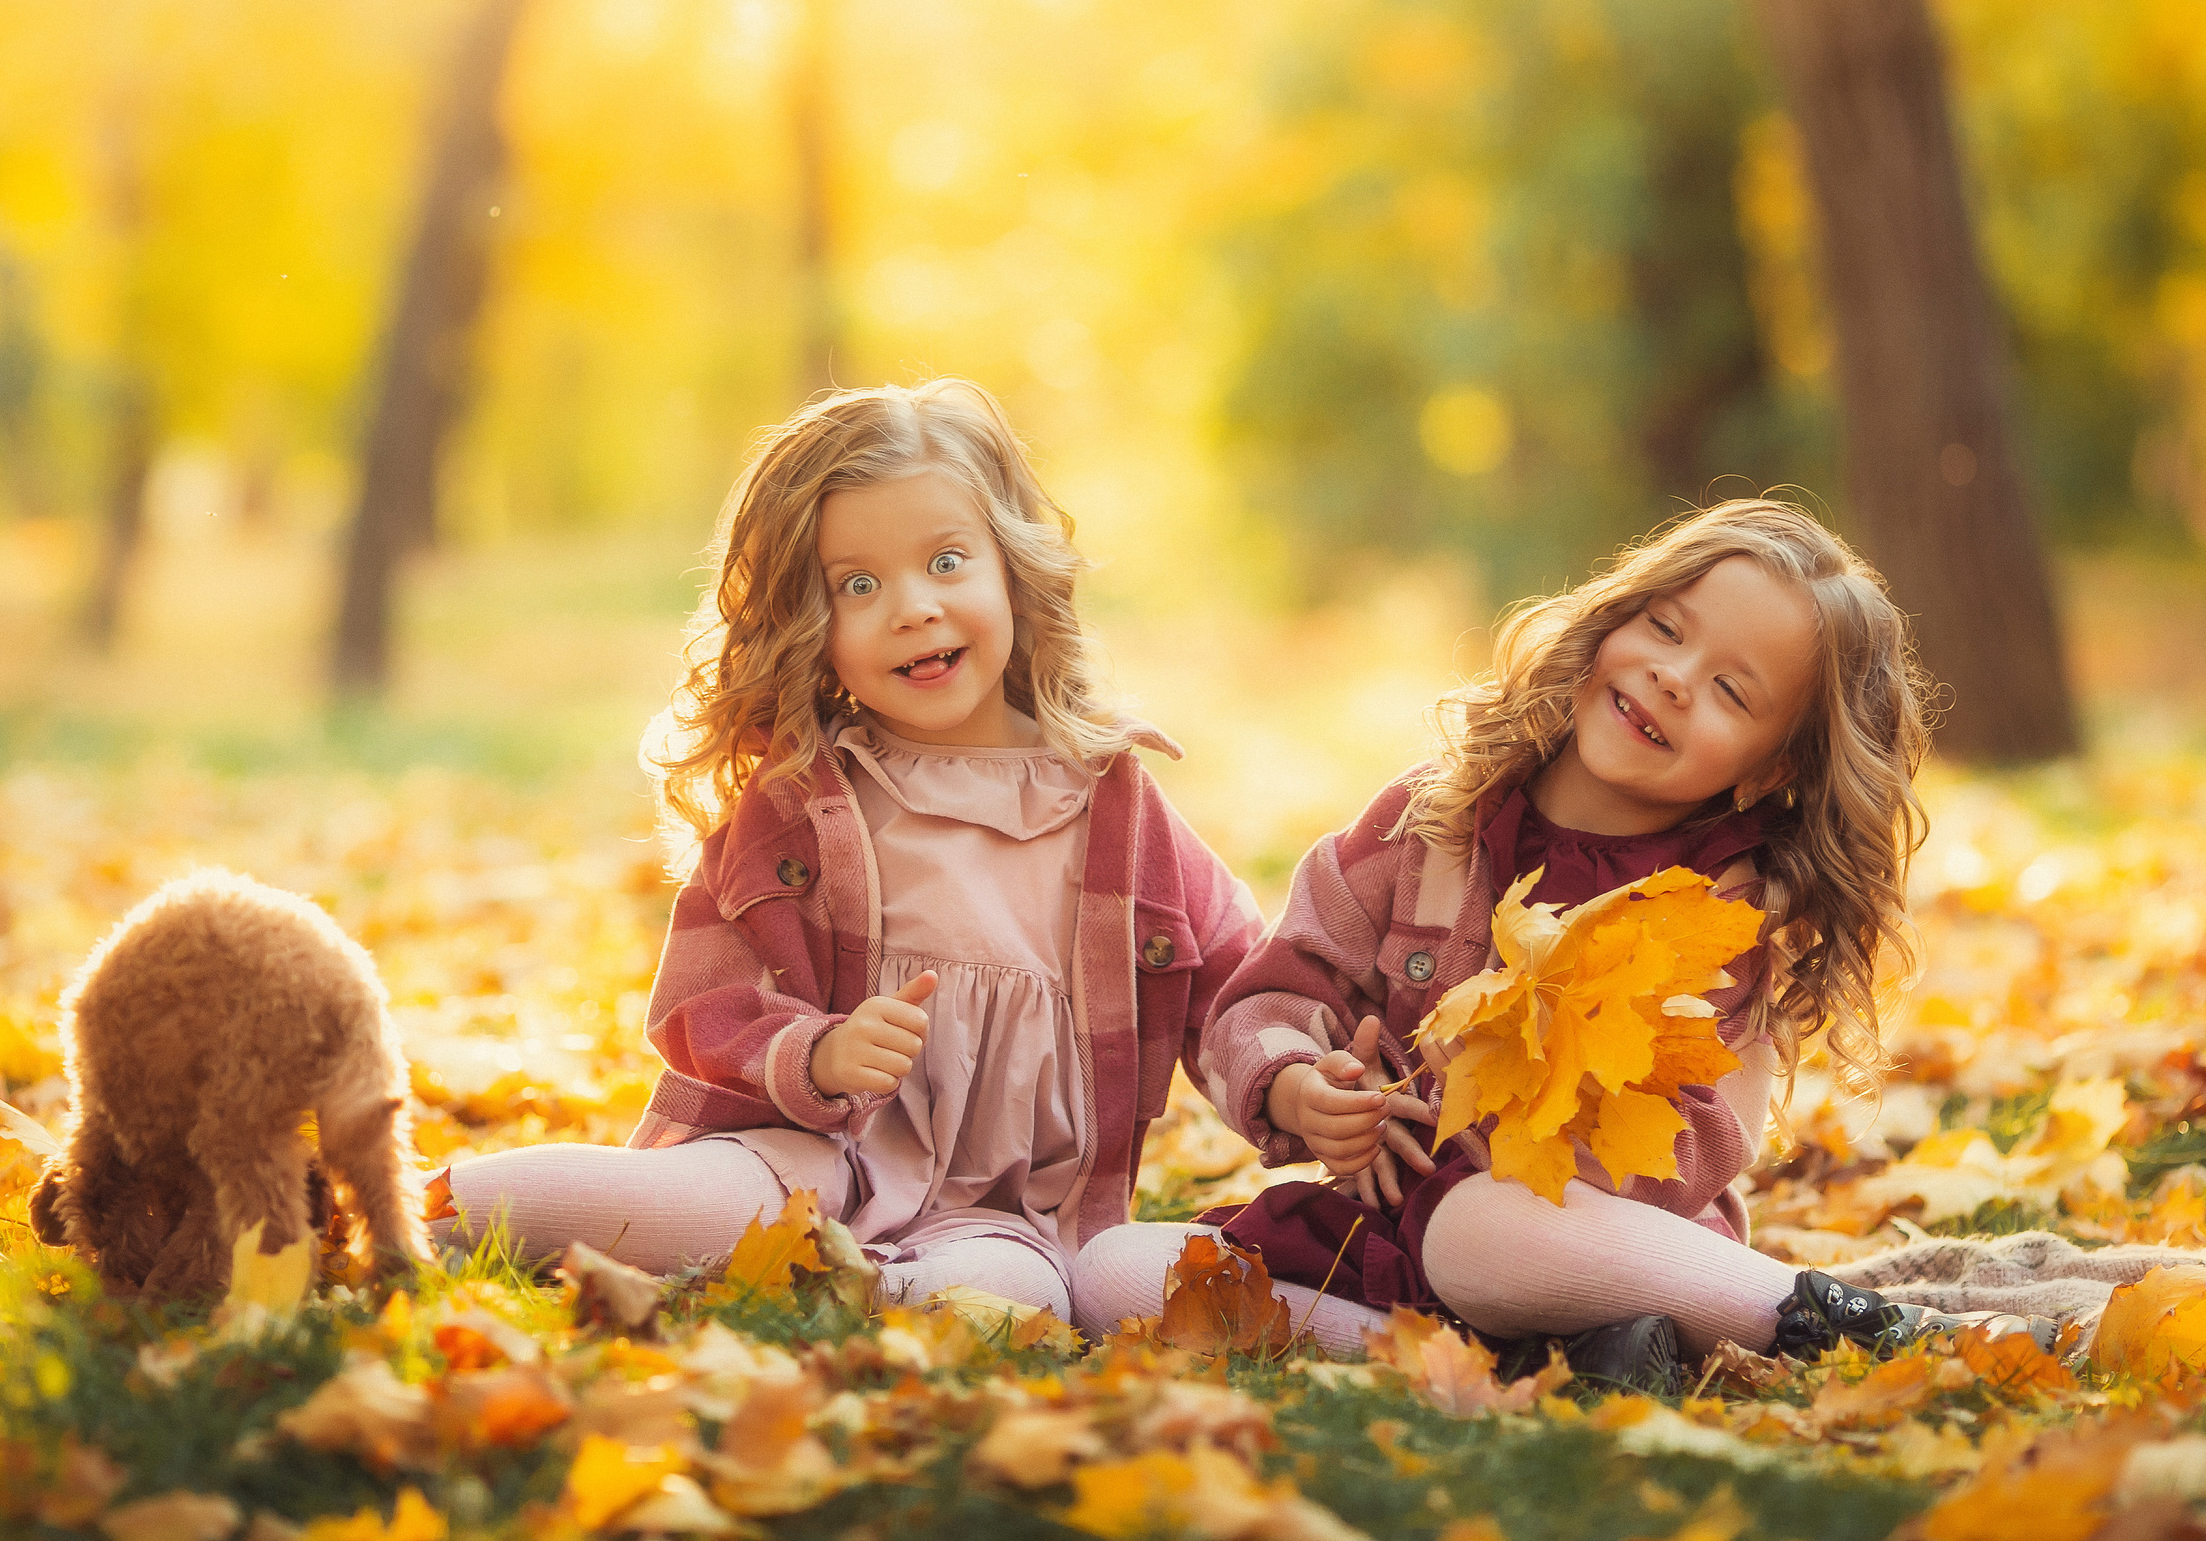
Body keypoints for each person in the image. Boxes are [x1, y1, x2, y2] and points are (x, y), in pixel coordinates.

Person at [1073, 498, 2024, 1378]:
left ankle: (1833, 1319)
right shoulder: (1430, 819)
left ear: (1769, 768)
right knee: (1115, 1271)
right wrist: (1299, 1085)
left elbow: (1694, 1138)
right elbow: (1271, 994)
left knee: (1476, 1231)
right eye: (1664, 628)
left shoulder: (1719, 912)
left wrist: (1494, 1115)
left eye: (1731, 691)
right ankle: (1506, 1363)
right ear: (1614, 619)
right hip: (1381, 1235)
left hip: (1564, 1237)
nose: (1672, 677)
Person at [427, 379, 1260, 1322]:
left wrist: (1295, 1079)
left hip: (996, 1213)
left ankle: (822, 1288)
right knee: (622, 1202)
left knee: (1016, 1304)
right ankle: (403, 1201)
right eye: (857, 585)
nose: (912, 607)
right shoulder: (801, 803)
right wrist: (817, 1056)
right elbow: (702, 1003)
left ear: (1012, 571)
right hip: (793, 1158)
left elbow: (1240, 985)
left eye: (948, 561)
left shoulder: (1115, 808)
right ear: (810, 628)